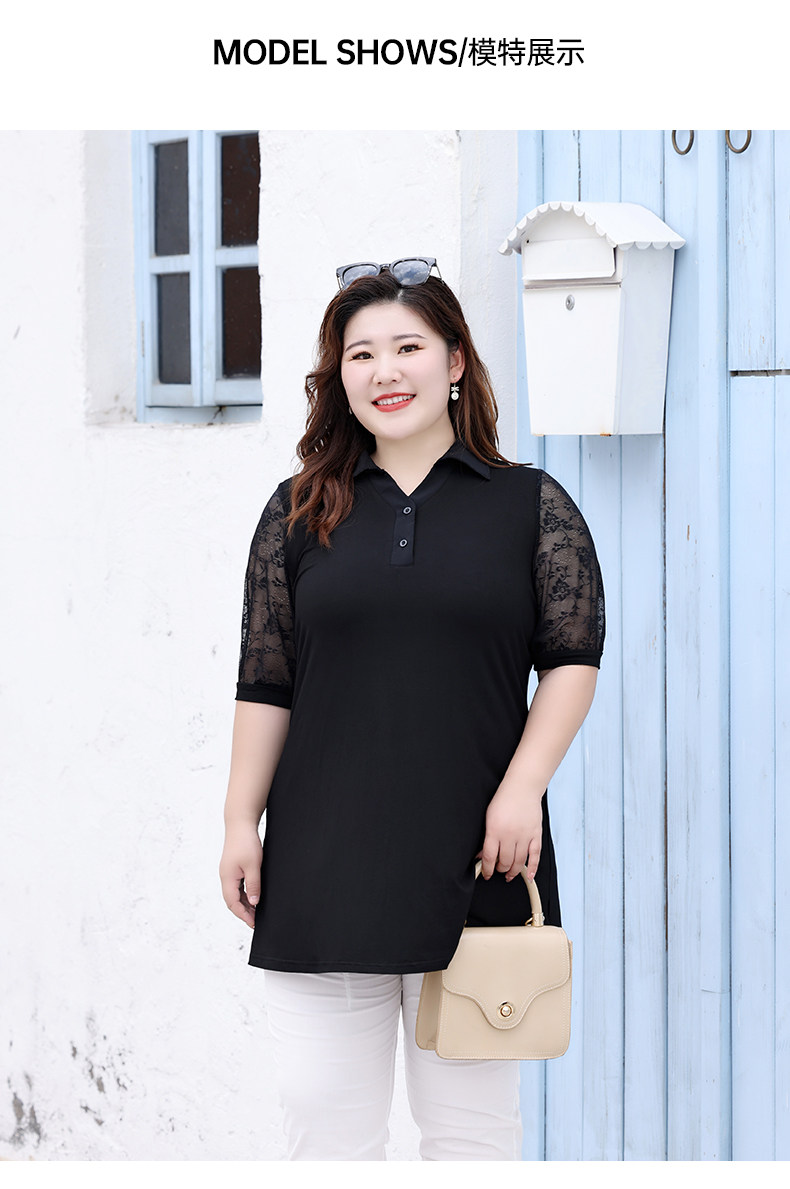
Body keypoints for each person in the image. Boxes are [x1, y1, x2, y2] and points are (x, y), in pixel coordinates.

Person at [219, 258, 605, 1161]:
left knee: (472, 1136)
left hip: (479, 859)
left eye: (408, 347)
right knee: (326, 1134)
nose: (384, 372)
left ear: (455, 361)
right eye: (361, 354)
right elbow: (266, 680)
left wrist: (523, 789)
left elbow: (572, 659)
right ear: (339, 376)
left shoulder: (531, 505)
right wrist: (240, 820)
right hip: (321, 865)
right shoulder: (296, 513)